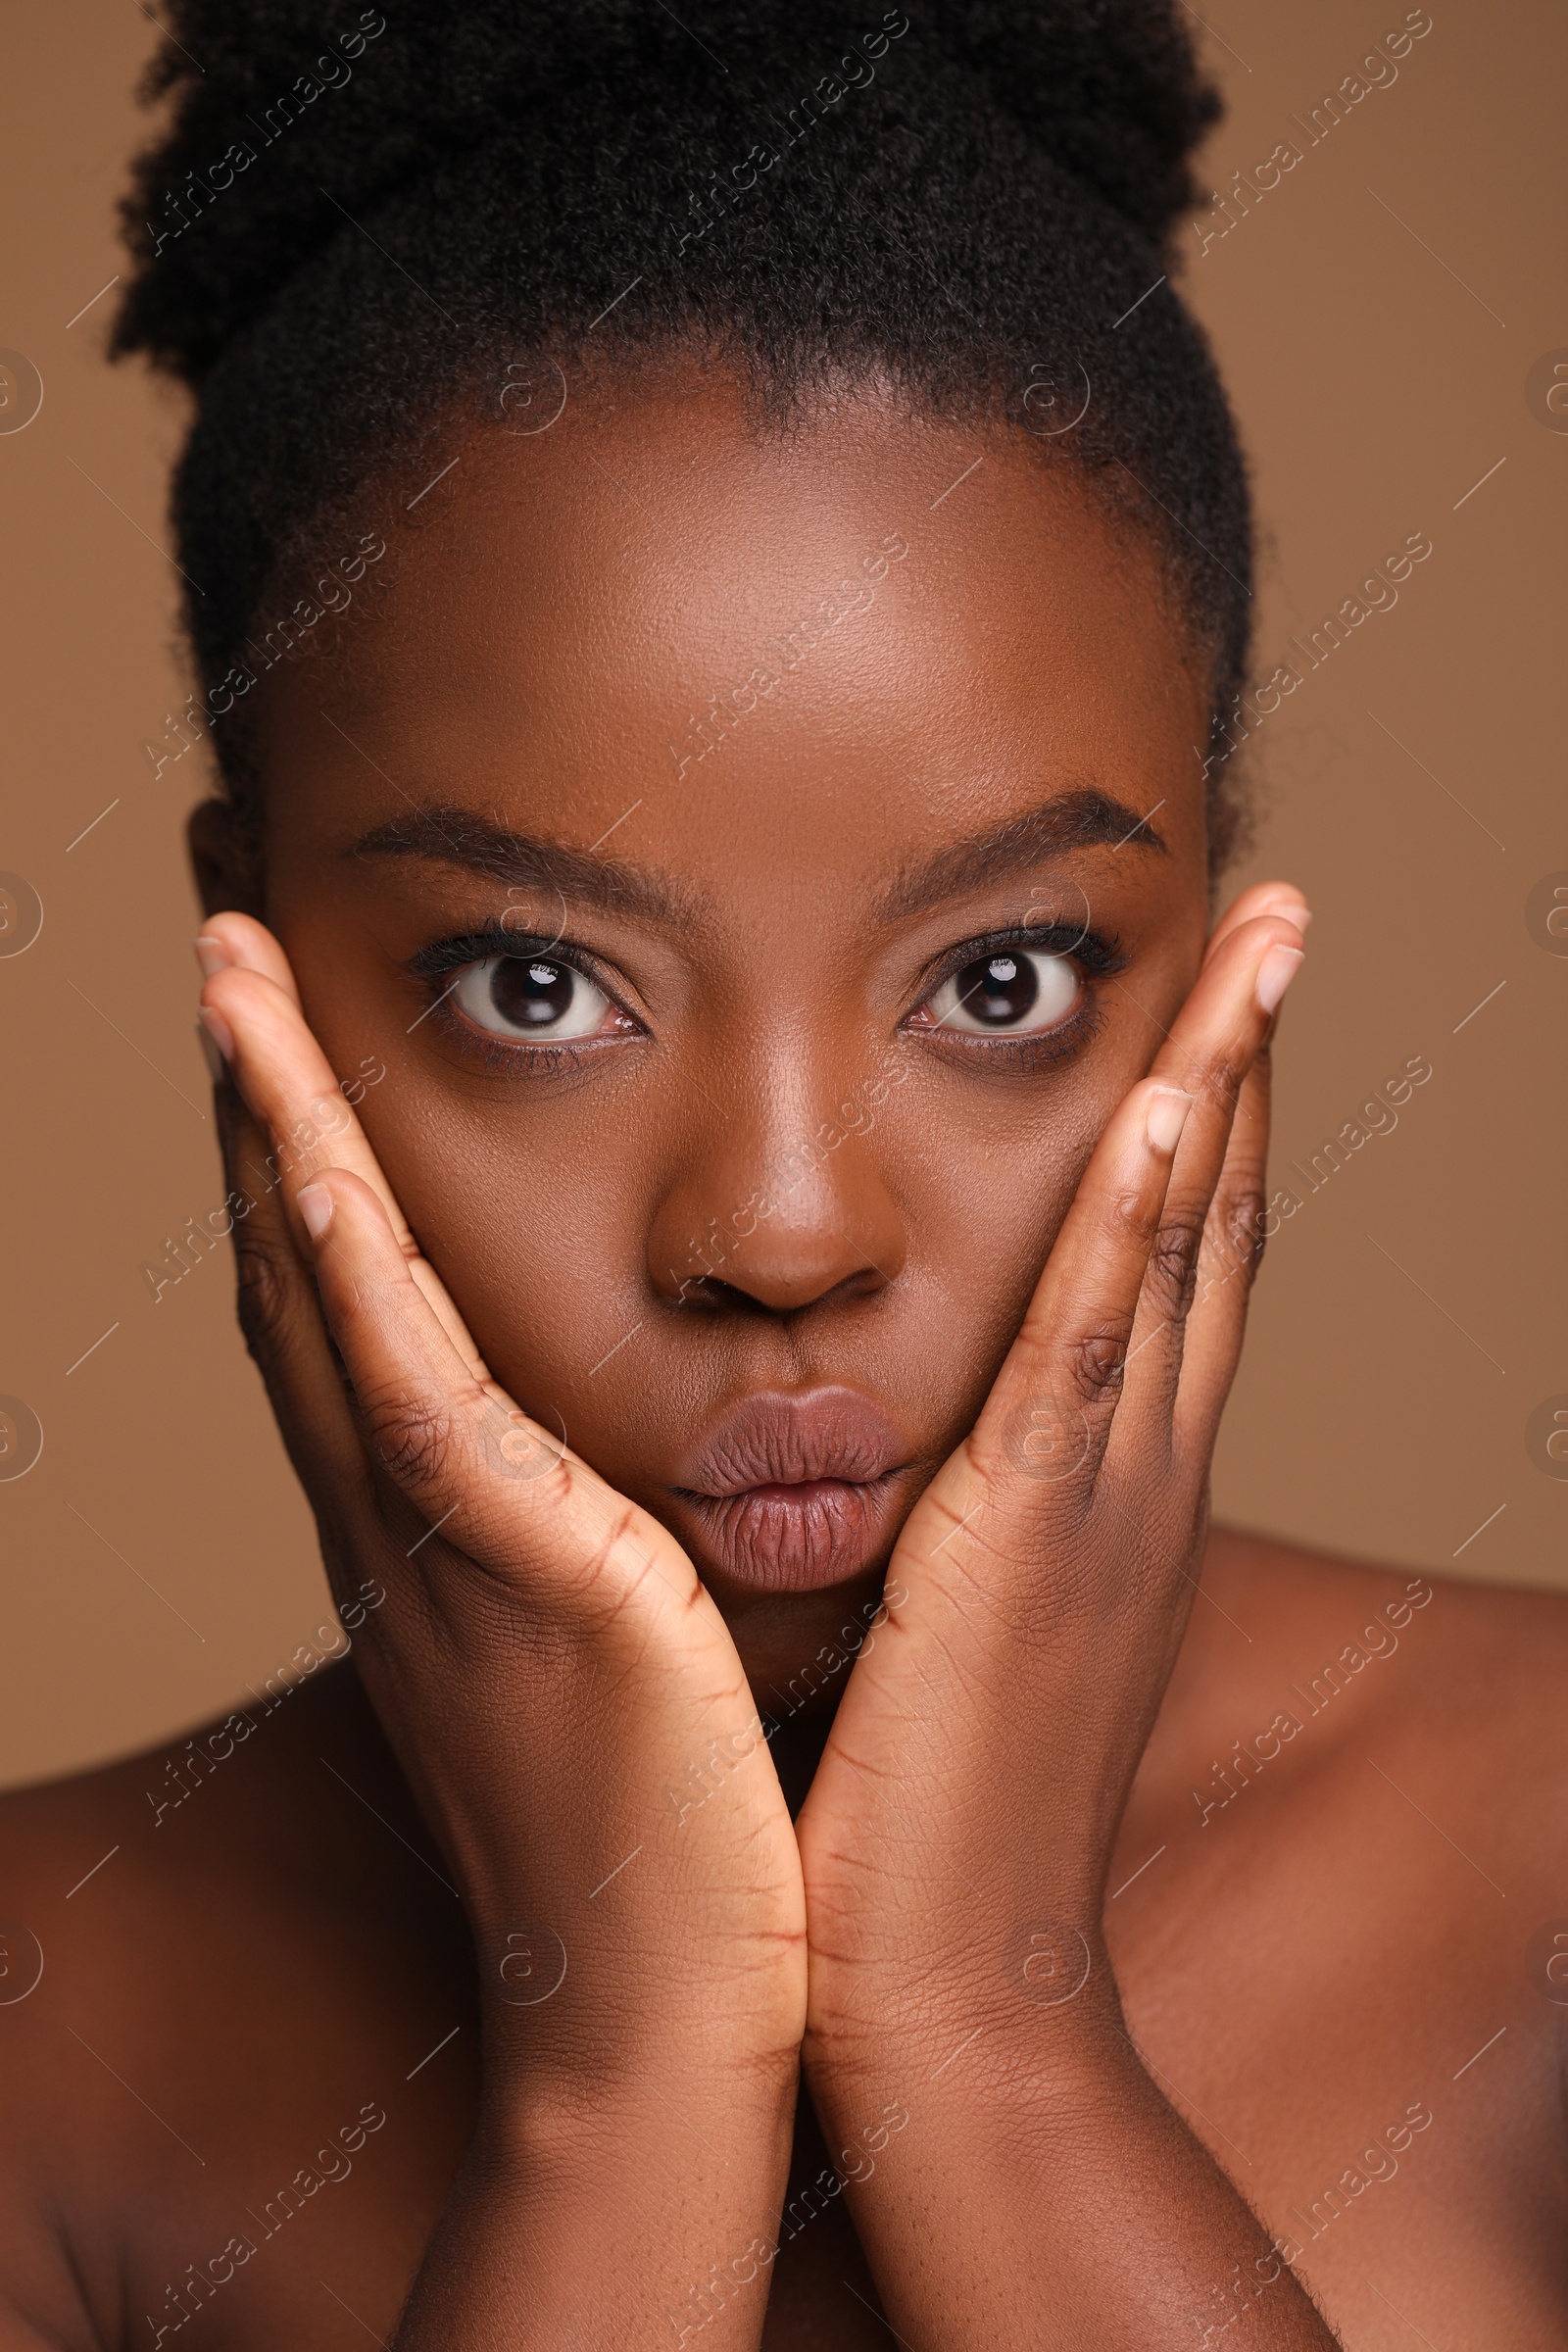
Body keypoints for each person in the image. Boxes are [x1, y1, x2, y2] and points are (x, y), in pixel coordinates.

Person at [2, 3, 1563, 2346]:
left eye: (1006, 977)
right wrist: (613, 2085)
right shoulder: (53, 2020)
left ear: (1221, 965)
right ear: (261, 988)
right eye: (538, 990)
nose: (782, 1233)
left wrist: (990, 2030)